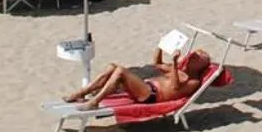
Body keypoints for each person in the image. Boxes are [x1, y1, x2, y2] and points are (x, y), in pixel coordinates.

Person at [64, 46, 212, 110]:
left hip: (151, 96)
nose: (194, 54)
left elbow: (175, 86)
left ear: (201, 66)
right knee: (112, 67)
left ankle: (95, 101)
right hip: (145, 88)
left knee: (121, 71)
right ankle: (80, 94)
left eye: (199, 56)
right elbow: (157, 63)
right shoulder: (181, 69)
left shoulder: (194, 81)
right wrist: (161, 46)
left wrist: (174, 62)